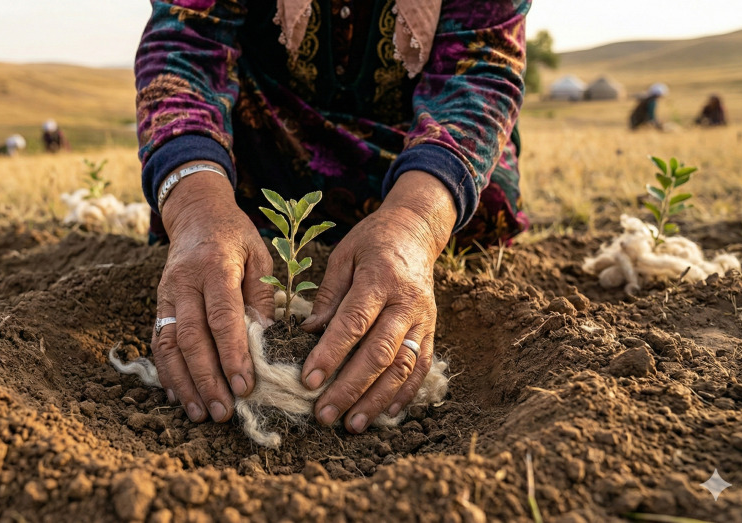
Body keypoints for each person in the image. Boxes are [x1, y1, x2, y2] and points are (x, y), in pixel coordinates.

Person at [136, 0, 529, 434]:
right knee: (204, 204)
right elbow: (186, 43)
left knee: (482, 199)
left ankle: (398, 247)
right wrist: (196, 208)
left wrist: (415, 223)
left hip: (412, 154)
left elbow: (481, 70)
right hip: (265, 139)